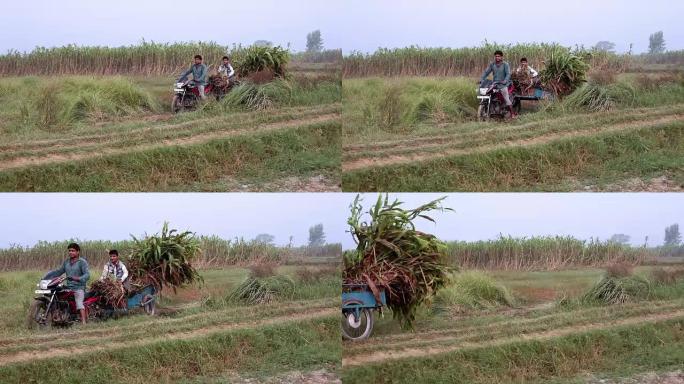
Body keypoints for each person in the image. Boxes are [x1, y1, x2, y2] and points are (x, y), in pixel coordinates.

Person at [44, 243, 90, 325]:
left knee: (79, 302)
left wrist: (78, 278)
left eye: (73, 251)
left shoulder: (82, 262)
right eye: (69, 251)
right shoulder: (66, 262)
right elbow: (59, 271)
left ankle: (83, 322)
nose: (71, 252)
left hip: (79, 287)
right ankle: (58, 317)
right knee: (57, 295)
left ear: (78, 252)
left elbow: (87, 275)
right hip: (69, 287)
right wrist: (47, 276)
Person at [480, 50, 516, 119]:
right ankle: (489, 108)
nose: (497, 57)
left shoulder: (505, 64)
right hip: (495, 84)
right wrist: (482, 79)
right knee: (488, 93)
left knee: (506, 99)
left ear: (501, 57)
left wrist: (505, 81)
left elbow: (508, 74)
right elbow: (486, 72)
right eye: (496, 56)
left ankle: (513, 114)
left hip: (503, 85)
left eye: (499, 56)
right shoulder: (492, 64)